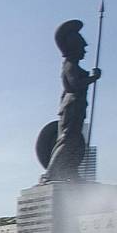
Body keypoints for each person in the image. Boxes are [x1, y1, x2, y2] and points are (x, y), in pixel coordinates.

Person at [41, 19, 101, 183]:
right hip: (72, 106)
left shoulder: (72, 65)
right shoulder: (70, 66)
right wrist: (93, 78)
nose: (85, 50)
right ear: (74, 47)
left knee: (76, 141)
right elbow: (75, 85)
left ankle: (71, 171)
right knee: (67, 140)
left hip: (76, 106)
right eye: (82, 47)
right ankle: (50, 174)